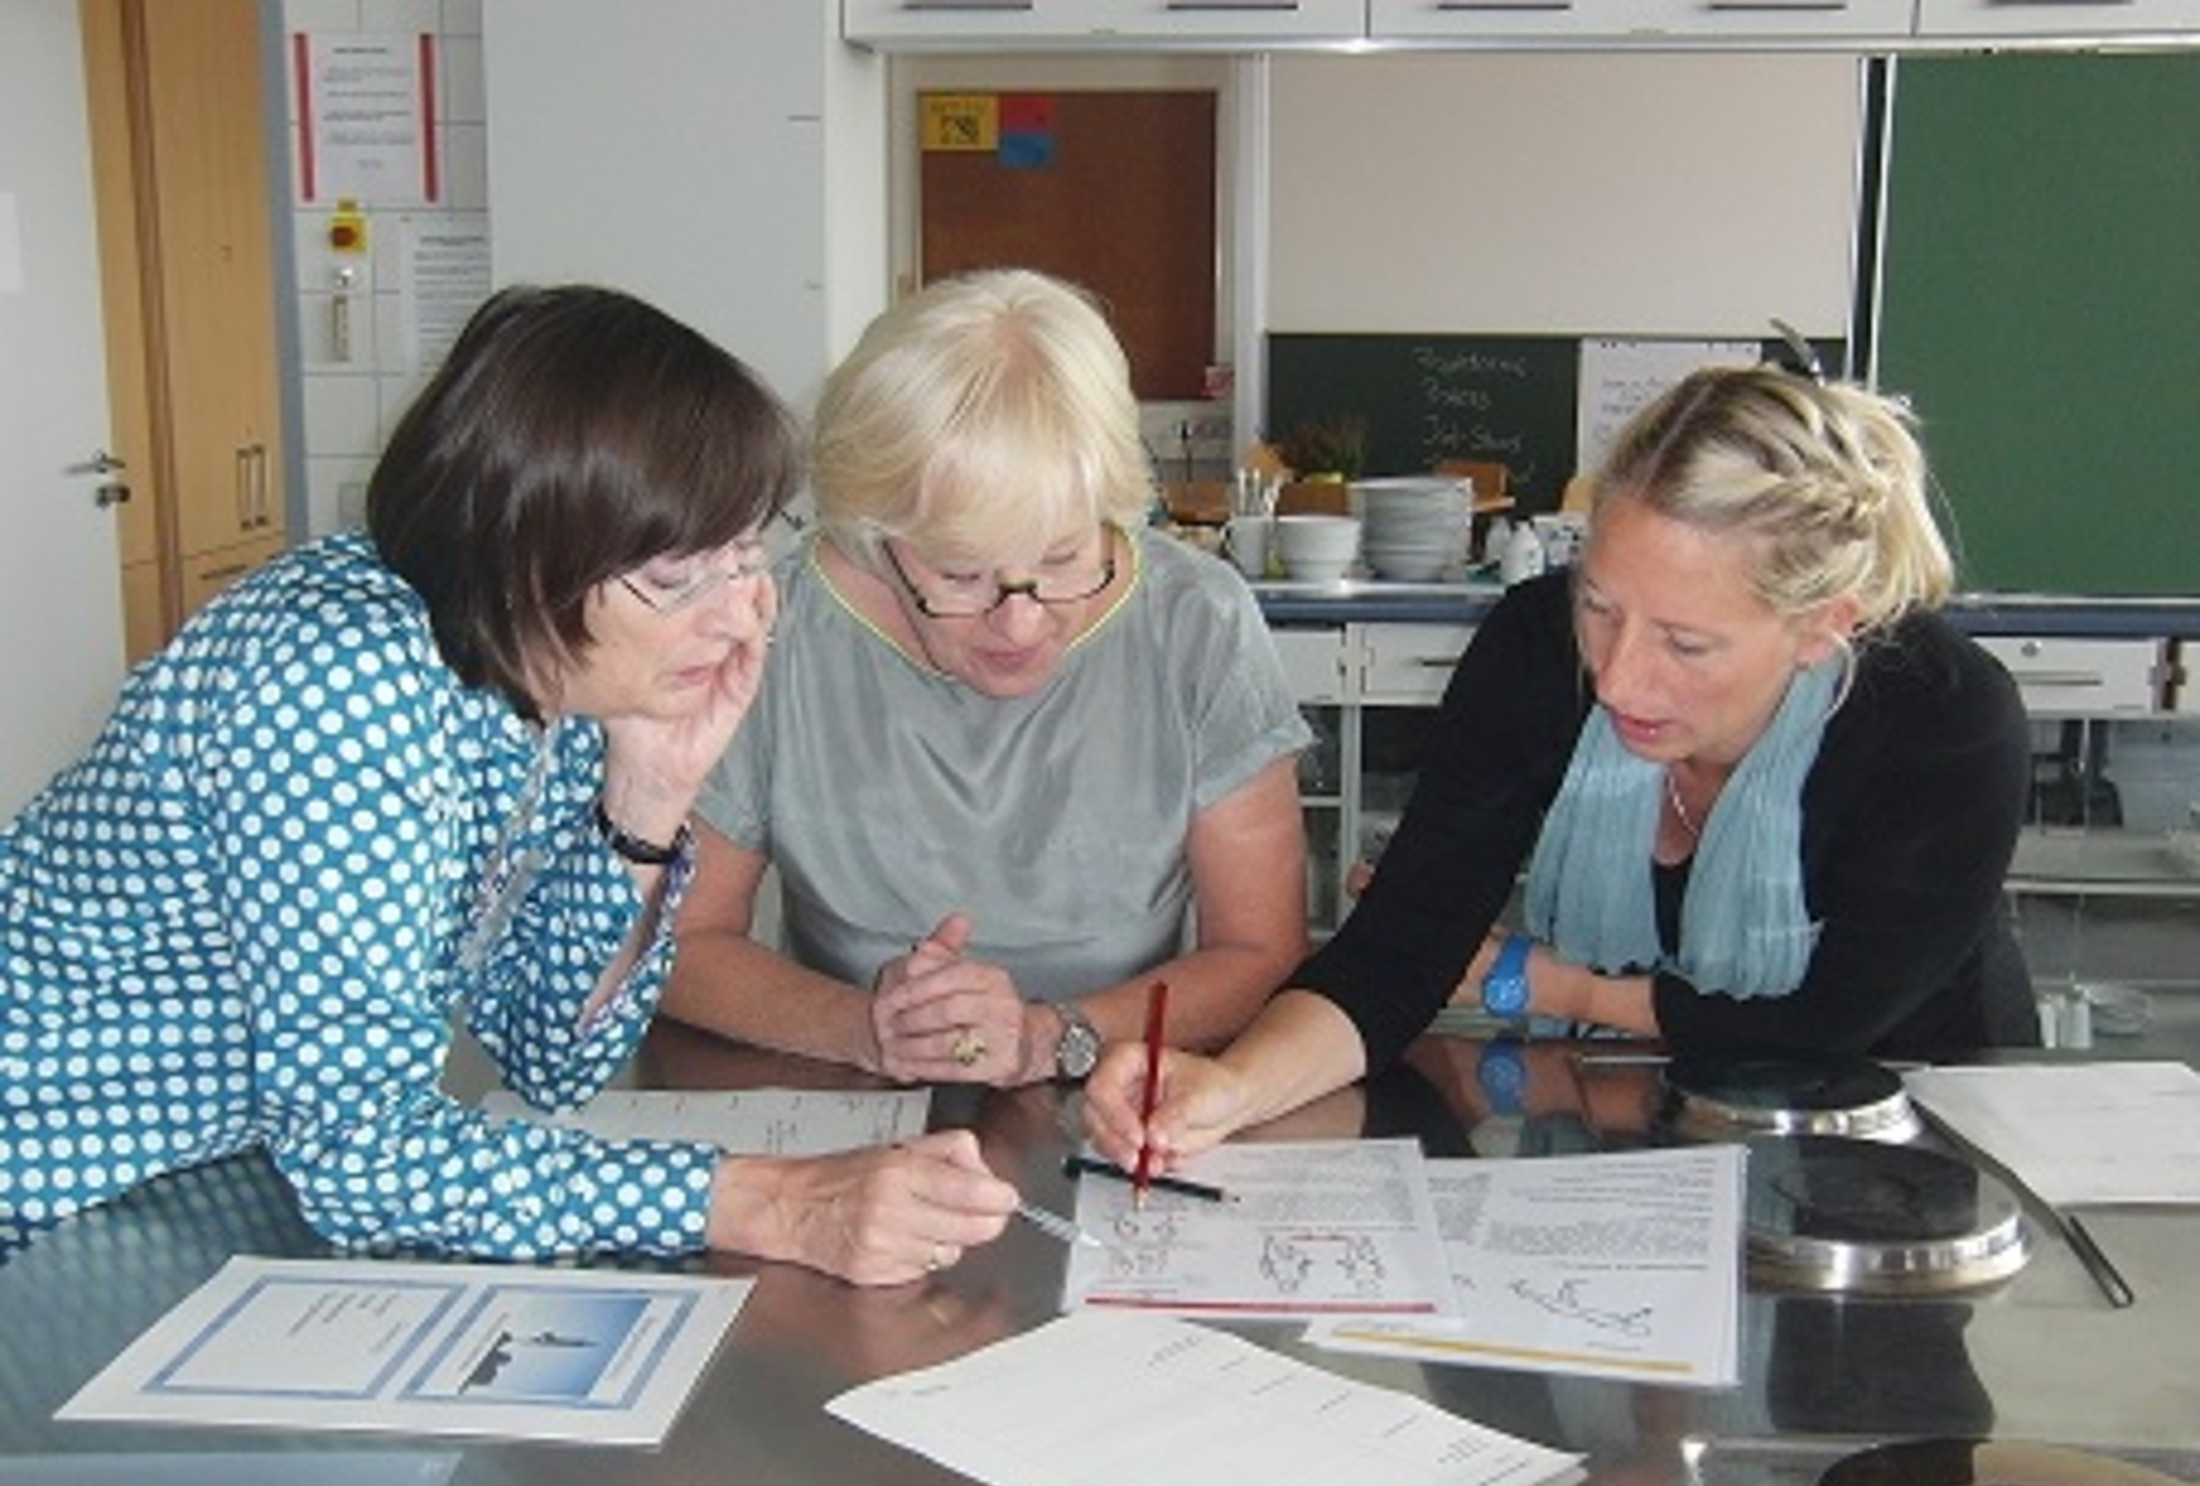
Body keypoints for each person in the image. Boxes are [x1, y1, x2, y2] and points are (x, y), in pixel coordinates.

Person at [0, 284, 1017, 1282]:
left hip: (181, 1181)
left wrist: (649, 796)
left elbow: (553, 1056)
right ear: (528, 558)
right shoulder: (337, 684)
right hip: (41, 1182)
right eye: (676, 579)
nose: (743, 614)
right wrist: (770, 1201)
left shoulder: (543, 678)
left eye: (746, 553)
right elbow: (363, 1154)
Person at [1084, 365, 2037, 1168]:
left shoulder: (1939, 718)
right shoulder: (1535, 651)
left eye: (1686, 644)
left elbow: (1824, 1025)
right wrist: (1231, 1089)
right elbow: (1399, 952)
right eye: (1600, 606)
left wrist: (1564, 988)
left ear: (1824, 626)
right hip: (1631, 1124)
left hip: (1900, 1137)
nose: (1617, 678)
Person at [662, 268, 1311, 1088]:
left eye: (1064, 557)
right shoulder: (774, 630)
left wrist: (1052, 1036)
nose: (1020, 622)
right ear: (877, 533)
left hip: (1119, 1089)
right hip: (848, 1095)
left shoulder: (1196, 622)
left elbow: (1260, 952)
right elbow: (680, 942)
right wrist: (866, 1029)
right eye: (961, 574)